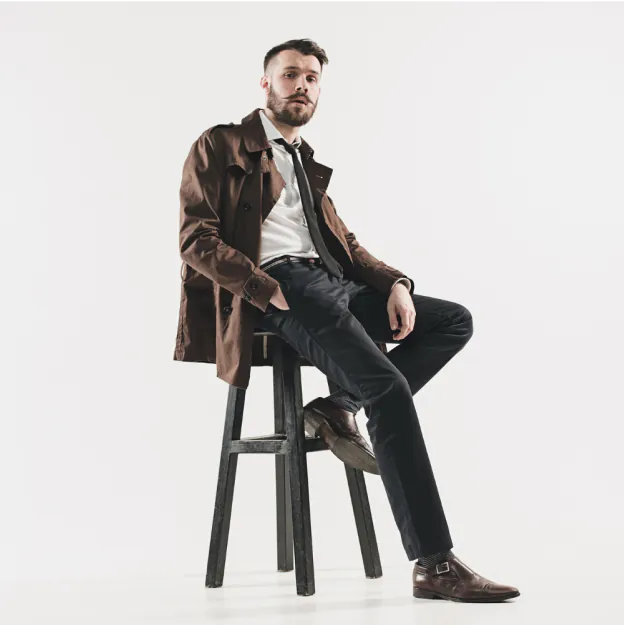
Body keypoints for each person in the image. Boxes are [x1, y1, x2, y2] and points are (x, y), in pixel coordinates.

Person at [175, 38, 520, 603]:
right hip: (281, 287)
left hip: (331, 282)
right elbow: (196, 239)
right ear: (266, 83)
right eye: (290, 75)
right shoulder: (222, 144)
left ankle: (337, 407)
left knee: (451, 321)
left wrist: (396, 283)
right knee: (388, 388)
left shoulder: (305, 162)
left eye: (312, 78)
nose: (302, 86)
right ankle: (434, 563)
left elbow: (345, 243)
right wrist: (264, 289)